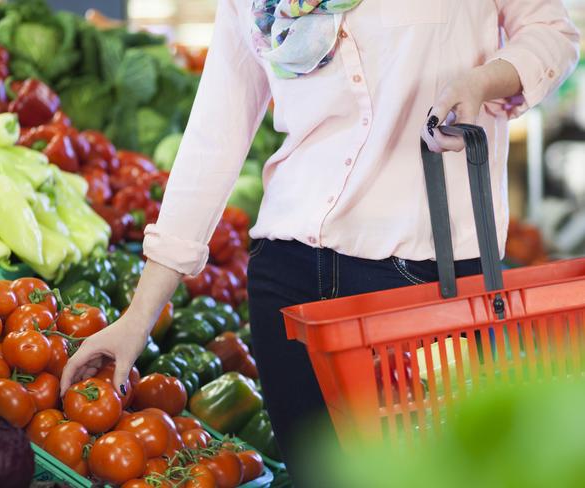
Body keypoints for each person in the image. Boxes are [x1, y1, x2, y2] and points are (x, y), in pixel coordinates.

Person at [61, 0, 580, 483]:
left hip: (423, 280)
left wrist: (484, 80)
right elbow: (214, 135)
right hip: (286, 281)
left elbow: (553, 32)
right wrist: (138, 317)